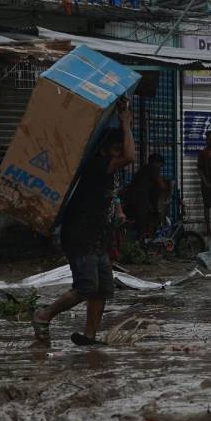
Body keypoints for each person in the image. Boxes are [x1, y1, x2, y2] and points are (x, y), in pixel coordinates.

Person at [33, 105, 137, 346]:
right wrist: (126, 123)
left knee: (102, 289)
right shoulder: (98, 164)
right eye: (115, 150)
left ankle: (89, 336)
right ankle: (43, 315)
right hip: (80, 236)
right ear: (103, 150)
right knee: (86, 286)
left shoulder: (109, 170)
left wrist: (119, 211)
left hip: (98, 239)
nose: (118, 155)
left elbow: (113, 194)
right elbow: (130, 156)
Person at [122, 153, 167, 238]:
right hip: (139, 198)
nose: (160, 168)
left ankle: (139, 239)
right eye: (160, 165)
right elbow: (161, 185)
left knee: (139, 218)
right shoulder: (153, 168)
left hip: (132, 197)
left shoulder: (144, 168)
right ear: (157, 163)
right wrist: (166, 191)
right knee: (144, 219)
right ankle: (141, 241)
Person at [197, 131, 211, 234]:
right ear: (206, 140)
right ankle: (208, 229)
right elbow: (199, 170)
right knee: (207, 205)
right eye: (210, 139)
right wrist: (205, 182)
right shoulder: (203, 153)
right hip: (206, 184)